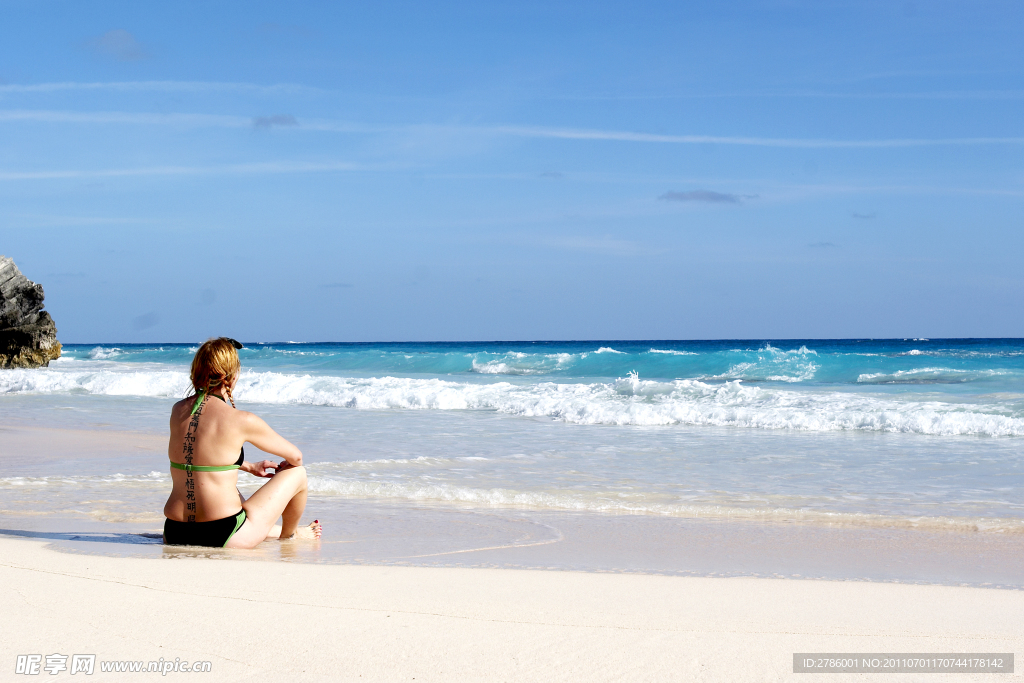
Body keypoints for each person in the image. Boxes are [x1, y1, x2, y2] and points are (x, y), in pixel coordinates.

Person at [163, 337, 321, 548]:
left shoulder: (178, 411)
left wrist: (248, 466)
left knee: (221, 490)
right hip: (224, 535)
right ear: (231, 376)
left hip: (175, 531)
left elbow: (198, 456)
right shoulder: (241, 419)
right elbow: (296, 457)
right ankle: (289, 536)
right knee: (297, 473)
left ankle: (281, 533)